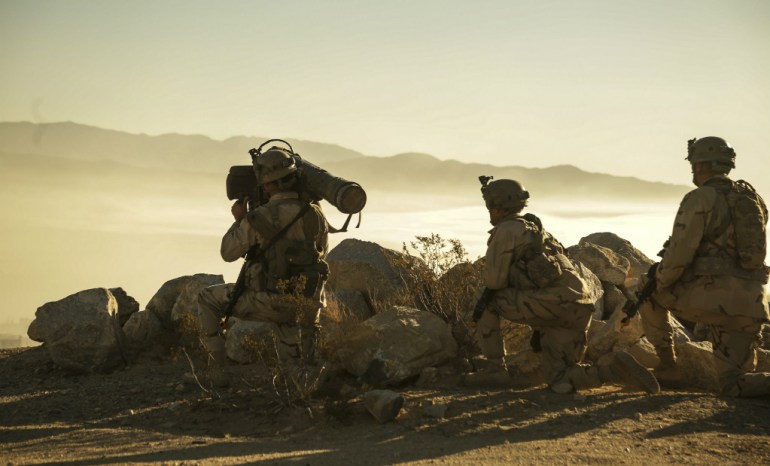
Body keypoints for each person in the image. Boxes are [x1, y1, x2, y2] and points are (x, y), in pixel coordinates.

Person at [466, 178, 660, 394]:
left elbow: (494, 282)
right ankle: (613, 371)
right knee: (560, 379)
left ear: (497, 206)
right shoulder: (538, 230)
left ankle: (494, 368)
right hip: (579, 307)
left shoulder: (507, 230)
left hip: (554, 307)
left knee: (485, 298)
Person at [639, 136, 770, 396]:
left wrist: (659, 282)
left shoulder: (700, 198)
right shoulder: (752, 199)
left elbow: (678, 256)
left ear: (700, 165)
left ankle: (668, 366)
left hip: (710, 301)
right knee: (734, 382)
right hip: (751, 305)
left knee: (647, 288)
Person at [197, 146, 330, 385]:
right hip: (308, 303)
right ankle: (305, 379)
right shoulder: (314, 214)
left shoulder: (259, 217)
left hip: (271, 301)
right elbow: (322, 254)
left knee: (207, 298)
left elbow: (228, 252)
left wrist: (239, 220)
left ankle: (217, 374)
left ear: (267, 184)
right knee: (295, 375)